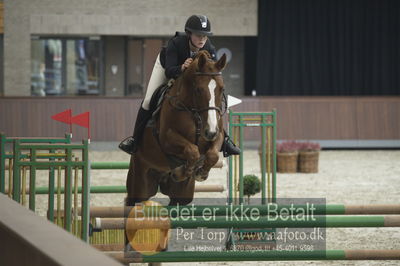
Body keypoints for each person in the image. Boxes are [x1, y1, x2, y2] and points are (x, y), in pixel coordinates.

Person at [119, 15, 240, 157]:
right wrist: (182, 67)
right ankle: (135, 140)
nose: (202, 39)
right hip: (167, 67)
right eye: (198, 35)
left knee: (210, 102)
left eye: (205, 36)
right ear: (189, 34)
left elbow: (210, 73)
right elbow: (169, 71)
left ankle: (224, 140)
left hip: (191, 79)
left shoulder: (209, 48)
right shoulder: (175, 44)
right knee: (148, 100)